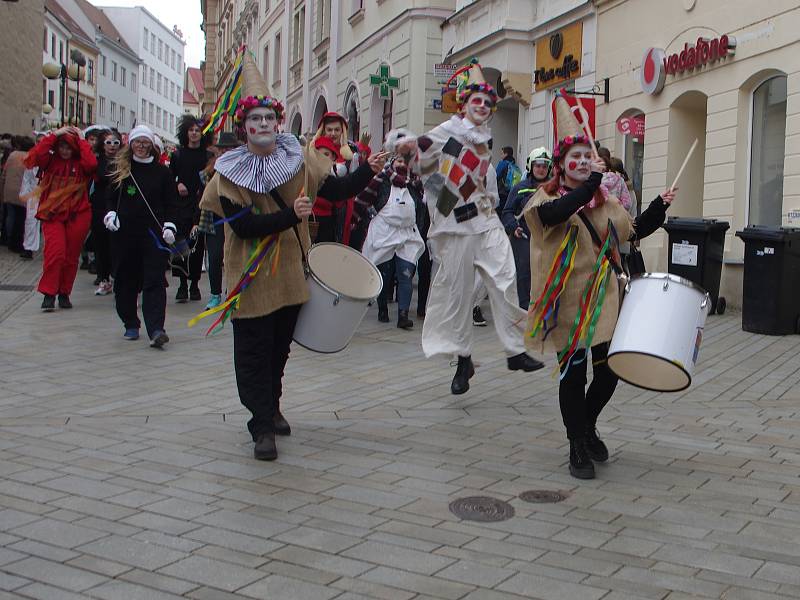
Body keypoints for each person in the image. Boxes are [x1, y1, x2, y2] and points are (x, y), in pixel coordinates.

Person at [198, 53, 388, 461]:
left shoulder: (298, 159)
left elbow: (333, 193)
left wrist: (367, 171)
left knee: (279, 349)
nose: (263, 126)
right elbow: (244, 227)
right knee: (252, 351)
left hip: (288, 273)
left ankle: (273, 406)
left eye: (269, 119)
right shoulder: (227, 174)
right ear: (244, 127)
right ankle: (260, 425)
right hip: (249, 277)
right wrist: (290, 215)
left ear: (277, 122)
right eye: (255, 121)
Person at [523, 94, 676, 480]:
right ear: (559, 165)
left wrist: (659, 206)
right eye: (571, 157)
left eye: (583, 155)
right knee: (573, 376)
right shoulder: (545, 199)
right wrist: (591, 182)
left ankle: (586, 426)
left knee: (609, 371)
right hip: (565, 304)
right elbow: (557, 214)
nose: (579, 162)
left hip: (604, 300)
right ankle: (576, 444)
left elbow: (633, 231)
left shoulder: (606, 204)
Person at [397, 59, 545, 395]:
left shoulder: (483, 142)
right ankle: (462, 359)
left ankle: (515, 349)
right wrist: (407, 153)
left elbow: (487, 187)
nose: (482, 107)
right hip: (454, 226)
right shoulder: (447, 132)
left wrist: (485, 204)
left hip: (484, 219)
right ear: (463, 105)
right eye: (476, 102)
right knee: (459, 295)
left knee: (505, 276)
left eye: (487, 104)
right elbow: (419, 164)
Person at [104, 125, 177, 347]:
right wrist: (111, 215)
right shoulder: (121, 170)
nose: (142, 146)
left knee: (154, 281)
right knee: (125, 279)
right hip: (125, 235)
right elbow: (110, 198)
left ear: (152, 146)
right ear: (131, 144)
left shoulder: (163, 172)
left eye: (145, 142)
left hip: (152, 235)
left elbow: (171, 202)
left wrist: (170, 226)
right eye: (138, 142)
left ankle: (156, 328)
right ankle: (130, 323)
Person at [24, 126, 97, 311]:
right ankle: (49, 293)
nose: (65, 151)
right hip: (52, 214)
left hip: (77, 214)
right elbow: (32, 157)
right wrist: (53, 135)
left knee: (71, 257)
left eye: (68, 147)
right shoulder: (49, 160)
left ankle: (64, 292)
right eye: (61, 146)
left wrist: (81, 139)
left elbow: (92, 164)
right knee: (55, 254)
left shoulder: (81, 163)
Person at [358, 131, 425, 329]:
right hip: (384, 232)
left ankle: (403, 315)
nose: (402, 165)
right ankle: (382, 309)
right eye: (399, 162)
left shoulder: (416, 182)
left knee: (406, 273)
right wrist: (366, 218)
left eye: (405, 162)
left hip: (407, 234)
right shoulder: (381, 179)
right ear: (393, 161)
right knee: (384, 273)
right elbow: (362, 200)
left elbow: (422, 206)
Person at [170, 115, 214, 302]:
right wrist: (177, 185)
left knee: (197, 245)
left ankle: (194, 284)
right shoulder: (178, 154)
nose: (194, 133)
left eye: (197, 130)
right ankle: (181, 284)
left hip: (202, 205)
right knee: (180, 245)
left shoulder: (208, 156)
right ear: (185, 132)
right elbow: (169, 179)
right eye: (191, 130)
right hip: (181, 205)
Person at [502, 147, 552, 308]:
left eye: (545, 166)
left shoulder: (555, 188)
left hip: (548, 237)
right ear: (531, 166)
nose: (541, 169)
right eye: (538, 165)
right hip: (524, 237)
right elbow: (507, 212)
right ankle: (524, 311)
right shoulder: (520, 188)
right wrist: (513, 227)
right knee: (525, 274)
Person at [311, 112, 371, 246]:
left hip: (345, 206)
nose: (333, 133)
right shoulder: (314, 149)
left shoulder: (350, 151)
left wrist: (362, 153)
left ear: (342, 131)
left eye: (337, 130)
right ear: (323, 130)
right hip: (319, 210)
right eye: (329, 130)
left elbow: (357, 178)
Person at [199, 131, 241, 310]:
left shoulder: (243, 169)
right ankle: (215, 294)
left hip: (235, 221)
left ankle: (231, 292)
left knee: (234, 258)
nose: (226, 152)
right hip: (214, 221)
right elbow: (204, 193)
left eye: (230, 149)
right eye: (223, 149)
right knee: (215, 258)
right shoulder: (210, 171)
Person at [90, 129, 122, 295]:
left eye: (115, 142)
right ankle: (103, 278)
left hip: (118, 206)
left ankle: (116, 277)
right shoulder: (96, 162)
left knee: (115, 244)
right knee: (100, 243)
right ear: (103, 145)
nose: (112, 146)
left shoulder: (124, 162)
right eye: (108, 142)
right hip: (100, 205)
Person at [2, 136, 35, 257]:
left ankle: (7, 239)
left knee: (10, 216)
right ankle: (18, 242)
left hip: (9, 190)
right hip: (23, 192)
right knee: (21, 218)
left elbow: (5, 172)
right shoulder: (31, 157)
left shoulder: (13, 155)